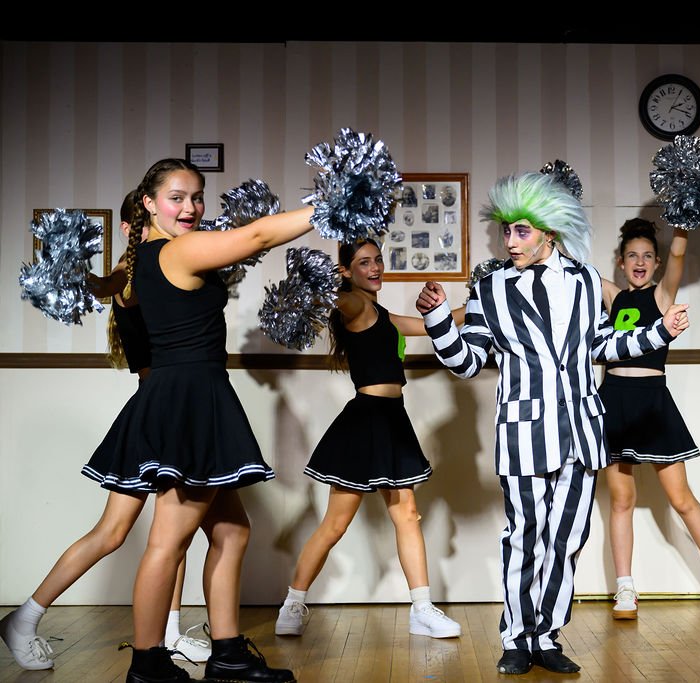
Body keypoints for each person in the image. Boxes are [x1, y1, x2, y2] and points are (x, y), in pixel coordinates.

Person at [416, 172, 689, 675]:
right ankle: (516, 637)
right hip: (522, 434)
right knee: (524, 535)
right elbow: (470, 361)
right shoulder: (492, 287)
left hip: (582, 433)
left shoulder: (586, 282)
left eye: (521, 231)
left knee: (567, 538)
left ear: (550, 233)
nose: (510, 241)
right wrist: (437, 321)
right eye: (506, 231)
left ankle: (547, 635)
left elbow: (603, 347)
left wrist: (657, 332)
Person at [88, 158, 315, 682]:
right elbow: (257, 236)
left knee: (233, 531)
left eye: (196, 197)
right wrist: (331, 207)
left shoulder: (145, 257)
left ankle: (228, 653)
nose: (189, 208)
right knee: (168, 542)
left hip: (191, 393)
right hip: (191, 399)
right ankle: (147, 664)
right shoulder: (176, 250)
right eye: (175, 197)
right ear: (148, 203)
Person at [0, 192, 209, 671]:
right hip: (157, 413)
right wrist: (79, 276)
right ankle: (24, 619)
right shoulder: (134, 267)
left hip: (180, 411)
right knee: (115, 532)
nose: (183, 212)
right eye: (163, 206)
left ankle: (168, 634)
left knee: (174, 533)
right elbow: (106, 283)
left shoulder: (172, 259)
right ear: (143, 217)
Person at [275, 239, 464, 640]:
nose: (375, 267)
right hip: (364, 423)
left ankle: (422, 609)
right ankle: (292, 603)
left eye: (378, 260)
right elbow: (333, 300)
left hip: (393, 421)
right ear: (346, 271)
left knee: (407, 514)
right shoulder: (354, 305)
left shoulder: (382, 313)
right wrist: (321, 283)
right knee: (334, 525)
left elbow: (439, 324)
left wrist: (488, 300)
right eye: (364, 263)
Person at [598, 218, 700, 619]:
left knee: (681, 499)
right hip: (614, 401)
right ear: (620, 263)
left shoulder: (661, 296)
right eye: (631, 256)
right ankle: (625, 589)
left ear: (655, 263)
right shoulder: (611, 296)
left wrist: (685, 217)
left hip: (652, 402)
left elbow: (679, 252)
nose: (639, 262)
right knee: (622, 501)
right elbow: (568, 264)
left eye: (646, 256)